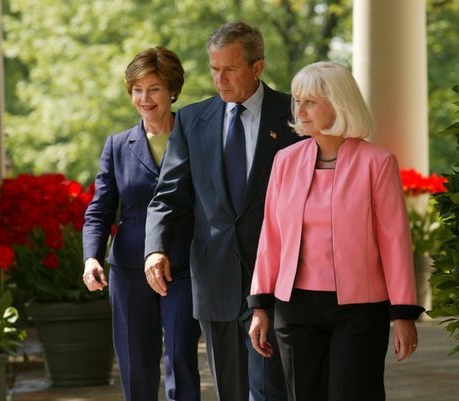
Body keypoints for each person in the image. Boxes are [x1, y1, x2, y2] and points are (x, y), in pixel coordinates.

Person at [247, 61, 425, 401]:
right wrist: (259, 307)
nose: (299, 109)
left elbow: (395, 241)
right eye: (297, 100)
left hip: (359, 311)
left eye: (310, 101)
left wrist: (403, 313)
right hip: (293, 307)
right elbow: (271, 237)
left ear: (339, 102)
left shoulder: (378, 162)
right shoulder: (285, 160)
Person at [144, 22, 301, 401]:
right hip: (214, 281)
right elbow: (168, 196)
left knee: (269, 391)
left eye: (229, 69)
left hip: (274, 282)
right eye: (214, 68)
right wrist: (155, 248)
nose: (219, 79)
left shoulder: (294, 116)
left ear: (257, 67)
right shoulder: (193, 121)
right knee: (230, 391)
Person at [82, 46, 201, 401]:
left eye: (154, 89)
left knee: (180, 357)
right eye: (137, 89)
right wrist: (91, 257)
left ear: (172, 90)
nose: (144, 98)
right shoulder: (118, 146)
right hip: (130, 271)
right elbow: (100, 209)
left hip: (183, 267)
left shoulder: (196, 138)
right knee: (136, 366)